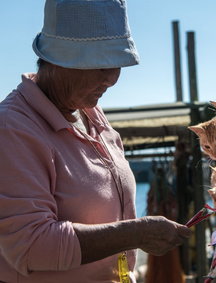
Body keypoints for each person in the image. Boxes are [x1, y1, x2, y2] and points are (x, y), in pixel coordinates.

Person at [0, 0, 191, 282]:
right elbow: (30, 246)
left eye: (117, 65)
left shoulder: (90, 111)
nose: (112, 79)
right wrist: (137, 234)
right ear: (58, 60)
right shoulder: (13, 128)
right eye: (101, 64)